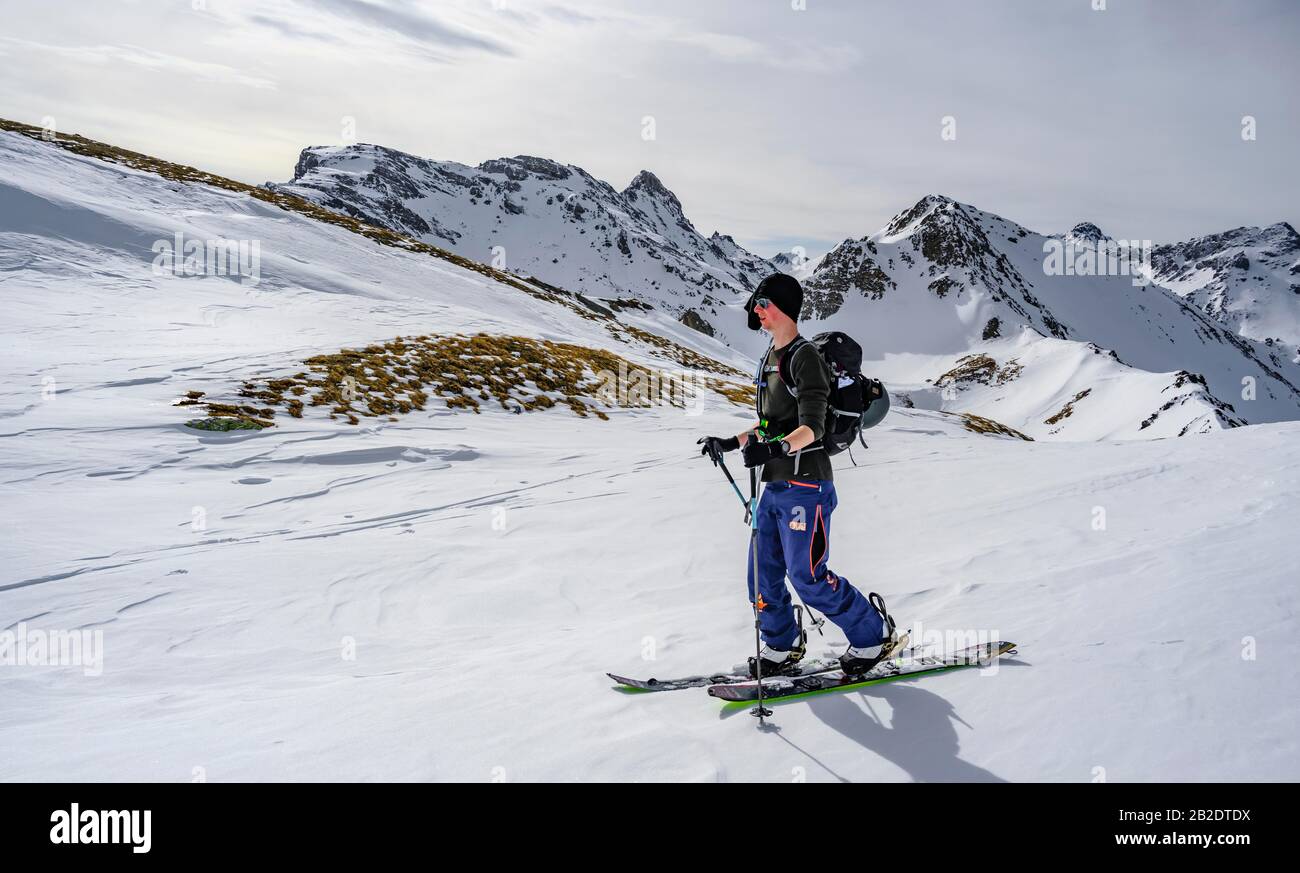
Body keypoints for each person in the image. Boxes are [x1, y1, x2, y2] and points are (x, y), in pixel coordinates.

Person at [699, 273, 897, 678]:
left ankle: (872, 636)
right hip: (775, 485)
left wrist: (775, 448)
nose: (757, 310)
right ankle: (782, 645)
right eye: (756, 304)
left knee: (807, 576)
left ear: (785, 307)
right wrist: (731, 442)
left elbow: (813, 427)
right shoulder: (771, 357)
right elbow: (770, 423)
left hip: (807, 485)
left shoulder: (804, 356)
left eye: (764, 303)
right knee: (762, 574)